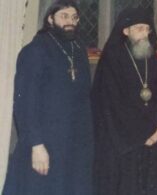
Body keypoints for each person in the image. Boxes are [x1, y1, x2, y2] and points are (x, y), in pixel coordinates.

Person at [3, 1, 93, 195]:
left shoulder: (78, 49)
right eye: (64, 16)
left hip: (74, 144)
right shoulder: (35, 50)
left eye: (74, 17)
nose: (70, 22)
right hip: (45, 143)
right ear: (50, 19)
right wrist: (36, 145)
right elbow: (25, 103)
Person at [91, 7, 157, 195]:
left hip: (154, 137)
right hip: (126, 142)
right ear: (125, 31)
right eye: (139, 28)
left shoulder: (151, 57)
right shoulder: (112, 58)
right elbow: (113, 103)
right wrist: (145, 132)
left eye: (147, 29)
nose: (144, 33)